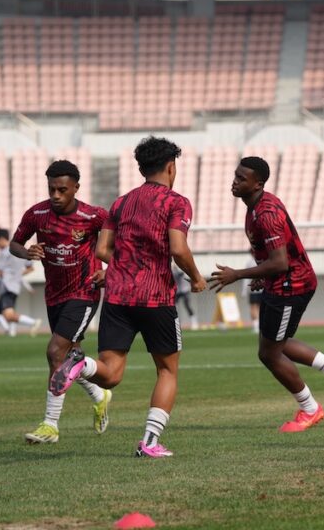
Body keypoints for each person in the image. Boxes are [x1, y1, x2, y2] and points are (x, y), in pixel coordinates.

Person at [50, 136, 207, 458]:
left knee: (111, 373)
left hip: (118, 296)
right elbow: (178, 248)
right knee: (167, 371)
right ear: (170, 167)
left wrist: (123, 268)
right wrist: (196, 277)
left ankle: (82, 363)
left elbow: (102, 250)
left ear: (141, 168)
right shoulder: (176, 202)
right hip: (155, 298)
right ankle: (149, 442)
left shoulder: (121, 203)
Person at [208, 156, 324, 433]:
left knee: (269, 353)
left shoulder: (265, 214)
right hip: (281, 283)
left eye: (242, 178)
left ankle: (311, 409)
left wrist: (238, 274)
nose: (235, 181)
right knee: (277, 344)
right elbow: (275, 258)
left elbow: (280, 262)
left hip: (291, 287)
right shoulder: (256, 205)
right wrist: (262, 274)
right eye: (236, 175)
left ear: (258, 184)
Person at [13, 160, 111, 444]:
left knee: (55, 352)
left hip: (84, 292)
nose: (56, 195)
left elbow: (120, 243)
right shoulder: (37, 214)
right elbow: (16, 243)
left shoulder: (93, 216)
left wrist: (110, 270)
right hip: (54, 294)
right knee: (70, 359)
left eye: (62, 190)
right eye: (52, 189)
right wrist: (27, 252)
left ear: (76, 188)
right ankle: (98, 394)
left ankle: (50, 425)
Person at [0, 228, 42, 336]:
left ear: (1, 239)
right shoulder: (19, 251)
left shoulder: (4, 253)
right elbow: (30, 268)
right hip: (14, 286)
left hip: (7, 287)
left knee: (8, 315)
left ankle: (33, 322)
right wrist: (16, 274)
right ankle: (8, 330)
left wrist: (8, 274)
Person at [173, 265, 199, 330]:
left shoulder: (179, 270)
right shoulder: (172, 271)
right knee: (174, 307)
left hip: (184, 290)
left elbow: (181, 274)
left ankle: (194, 322)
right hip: (177, 291)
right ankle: (176, 323)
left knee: (187, 305)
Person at [242, 257, 263, 333]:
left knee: (254, 308)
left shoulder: (250, 262)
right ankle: (259, 326)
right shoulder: (264, 260)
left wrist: (244, 291)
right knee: (261, 308)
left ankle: (256, 326)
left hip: (254, 289)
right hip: (262, 289)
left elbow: (246, 277)